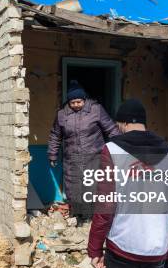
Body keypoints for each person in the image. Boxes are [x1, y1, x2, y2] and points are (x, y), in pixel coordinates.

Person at [87, 99, 168, 268]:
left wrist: (94, 249)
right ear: (144, 123)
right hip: (156, 252)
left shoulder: (112, 151)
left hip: (121, 250)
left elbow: (105, 206)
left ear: (122, 124)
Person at [47, 80, 118, 215]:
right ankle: (78, 214)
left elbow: (111, 128)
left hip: (94, 156)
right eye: (72, 103)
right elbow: (56, 135)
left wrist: (122, 146)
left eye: (79, 102)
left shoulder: (96, 109)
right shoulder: (62, 114)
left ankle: (94, 216)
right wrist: (52, 154)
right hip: (72, 158)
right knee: (74, 187)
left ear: (84, 99)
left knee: (94, 186)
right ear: (68, 102)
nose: (76, 105)